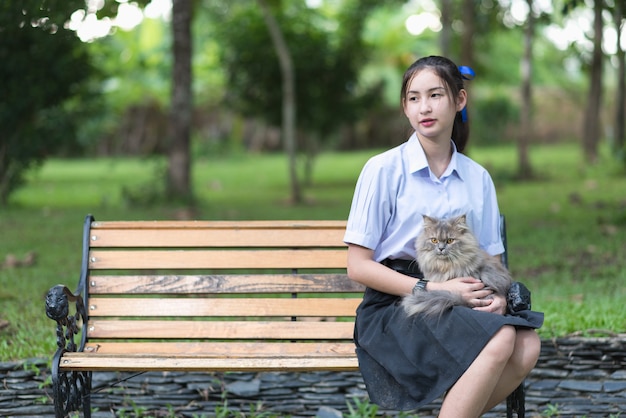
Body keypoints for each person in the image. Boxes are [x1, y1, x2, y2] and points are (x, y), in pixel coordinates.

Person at [343, 55, 543, 417]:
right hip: (399, 303)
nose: (425, 107)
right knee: (500, 339)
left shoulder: (477, 177)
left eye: (435, 95)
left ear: (459, 101)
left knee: (527, 345)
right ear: (404, 107)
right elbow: (358, 267)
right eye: (414, 98)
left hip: (463, 294)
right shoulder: (383, 170)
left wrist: (495, 298)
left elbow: (492, 261)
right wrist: (435, 290)